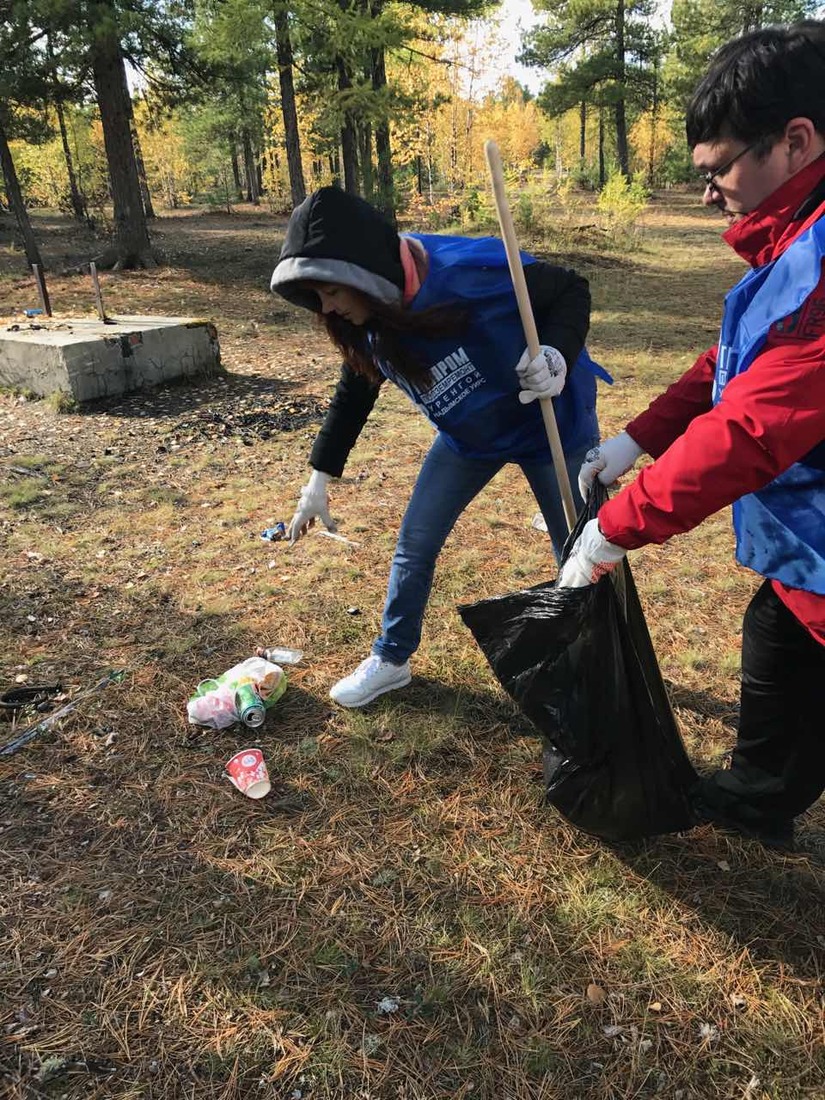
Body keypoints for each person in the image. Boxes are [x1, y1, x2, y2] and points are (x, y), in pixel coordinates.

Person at [559, 22, 825, 850]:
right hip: (807, 547)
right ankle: (759, 796)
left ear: (794, 139)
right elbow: (733, 364)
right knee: (777, 641)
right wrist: (635, 440)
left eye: (717, 171)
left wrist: (615, 527)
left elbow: (752, 426)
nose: (707, 193)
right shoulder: (790, 246)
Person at [271, 186, 609, 707]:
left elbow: (571, 290)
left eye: (331, 291)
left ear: (360, 272)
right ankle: (392, 657)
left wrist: (557, 355)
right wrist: (318, 480)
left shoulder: (471, 273)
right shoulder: (369, 320)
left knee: (581, 551)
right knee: (415, 543)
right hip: (470, 437)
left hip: (551, 424)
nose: (328, 307)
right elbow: (354, 391)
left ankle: (602, 659)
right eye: (317, 297)